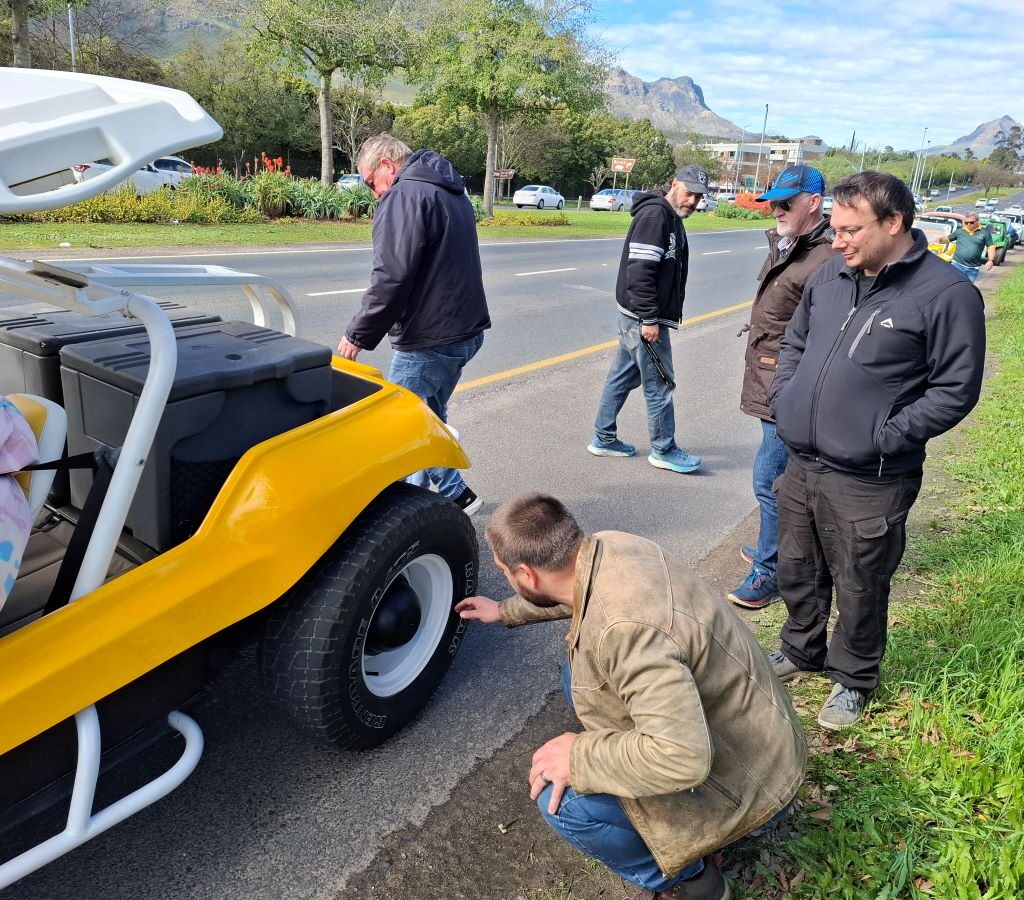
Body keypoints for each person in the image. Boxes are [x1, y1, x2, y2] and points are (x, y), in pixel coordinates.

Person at [457, 494, 806, 900]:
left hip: (755, 785)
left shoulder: (625, 632)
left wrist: (579, 756)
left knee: (566, 803)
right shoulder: (614, 544)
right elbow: (581, 593)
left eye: (505, 572)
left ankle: (697, 884)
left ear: (527, 575)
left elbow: (682, 757)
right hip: (764, 740)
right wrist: (506, 611)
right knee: (579, 675)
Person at [767, 171, 986, 730]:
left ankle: (854, 677)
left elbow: (955, 390)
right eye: (835, 229)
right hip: (803, 461)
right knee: (798, 566)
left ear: (894, 223)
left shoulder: (946, 294)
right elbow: (796, 342)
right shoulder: (832, 276)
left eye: (850, 230)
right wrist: (787, 396)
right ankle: (800, 649)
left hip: (872, 476)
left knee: (861, 579)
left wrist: (882, 435)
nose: (837, 241)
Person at [337, 134, 490, 515]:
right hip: (464, 332)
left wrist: (357, 335)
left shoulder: (404, 197)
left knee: (397, 425)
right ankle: (427, 500)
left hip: (430, 337)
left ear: (387, 165)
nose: (373, 193)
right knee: (428, 415)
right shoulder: (451, 191)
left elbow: (391, 277)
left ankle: (441, 500)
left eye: (371, 182)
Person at [728, 166, 838, 610]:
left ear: (812, 202)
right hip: (769, 375)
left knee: (770, 481)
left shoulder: (826, 258)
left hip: (787, 385)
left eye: (785, 203)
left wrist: (796, 387)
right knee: (776, 479)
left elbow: (824, 334)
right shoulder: (789, 244)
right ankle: (771, 546)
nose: (776, 210)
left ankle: (771, 571)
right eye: (772, 202)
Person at [587, 165, 710, 475]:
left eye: (698, 196)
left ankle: (603, 438)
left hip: (637, 316)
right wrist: (650, 319)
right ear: (673, 184)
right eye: (688, 192)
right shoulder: (656, 217)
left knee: (622, 376)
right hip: (643, 318)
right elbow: (640, 273)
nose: (693, 201)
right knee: (660, 383)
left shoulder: (668, 215)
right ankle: (664, 449)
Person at [934, 213, 996, 283]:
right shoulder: (960, 231)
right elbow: (947, 239)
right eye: (966, 223)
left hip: (972, 269)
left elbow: (991, 246)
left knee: (967, 288)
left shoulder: (985, 233)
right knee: (953, 284)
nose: (968, 224)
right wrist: (940, 239)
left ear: (977, 222)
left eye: (971, 222)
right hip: (957, 264)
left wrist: (990, 260)